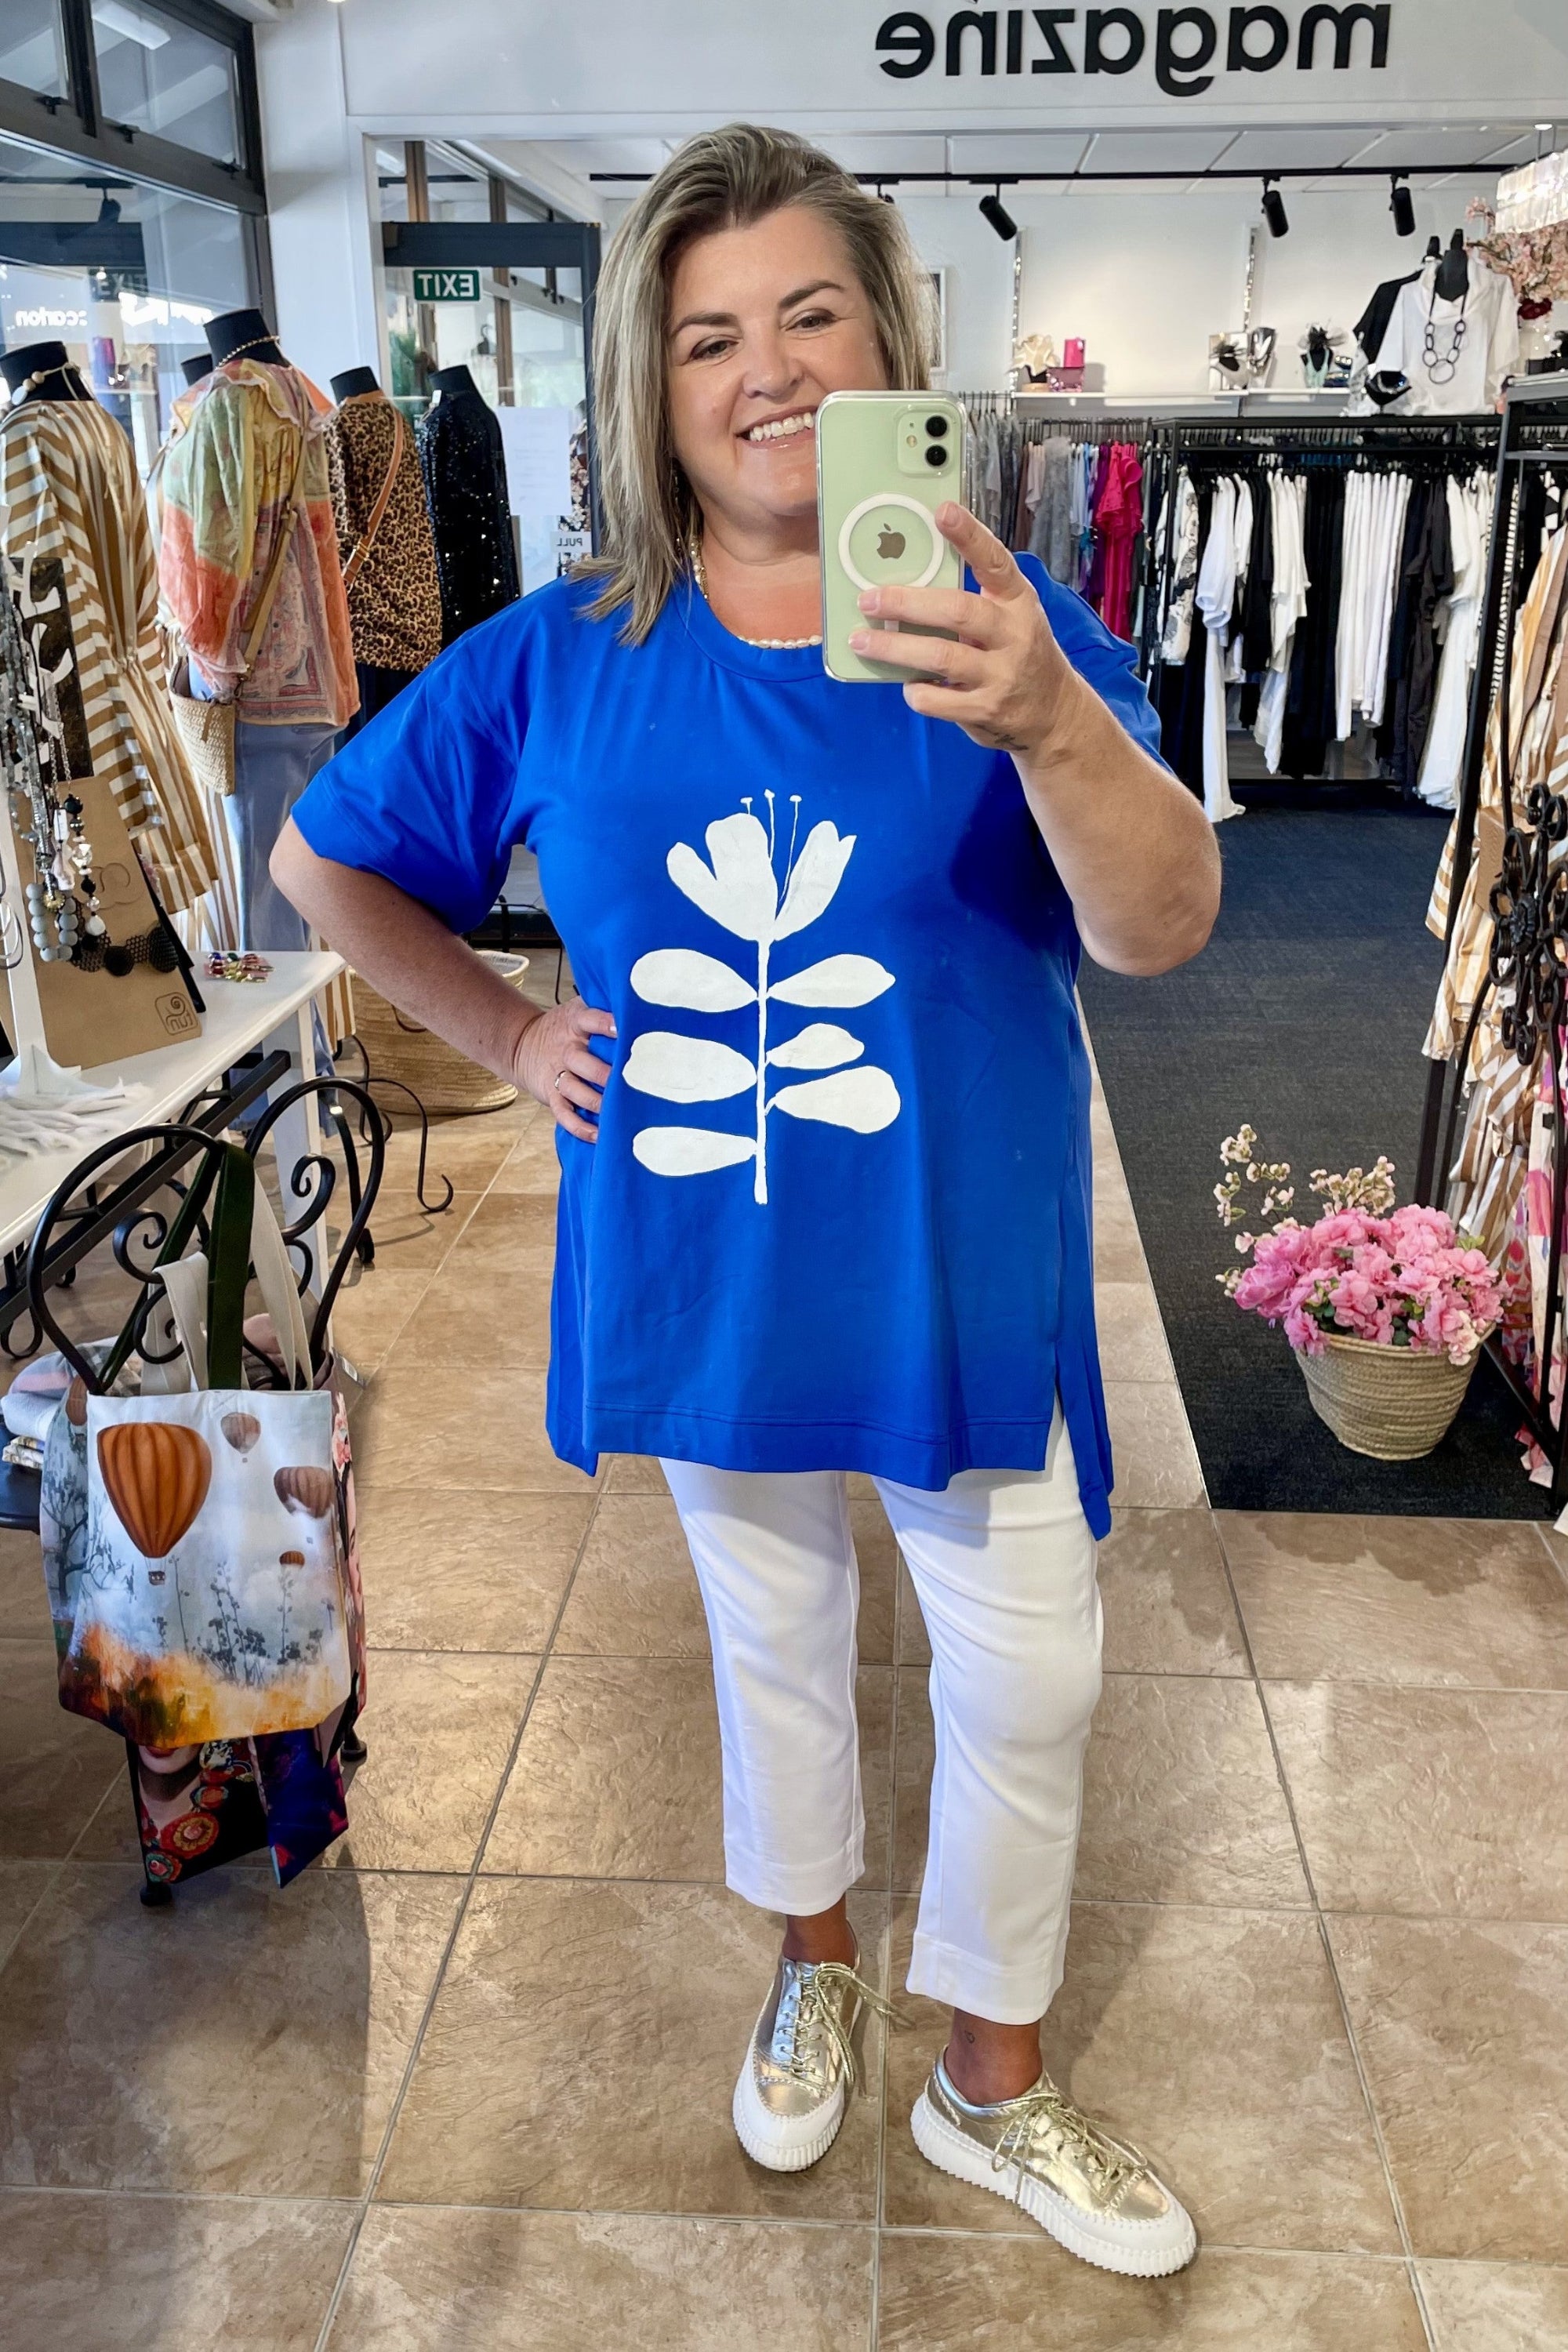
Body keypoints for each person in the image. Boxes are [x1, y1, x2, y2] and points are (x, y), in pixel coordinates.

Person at [274, 123, 1221, 2279]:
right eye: (712, 334)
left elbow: (1166, 925)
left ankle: (994, 2081)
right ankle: (815, 1961)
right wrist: (512, 1041)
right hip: (710, 1271)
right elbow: (324, 861)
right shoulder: (565, 653)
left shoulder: (1006, 619)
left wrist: (1060, 726)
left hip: (961, 1283)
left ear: (889, 341)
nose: (769, 368)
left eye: (811, 314)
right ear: (651, 376)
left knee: (1032, 1680)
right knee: (773, 1649)